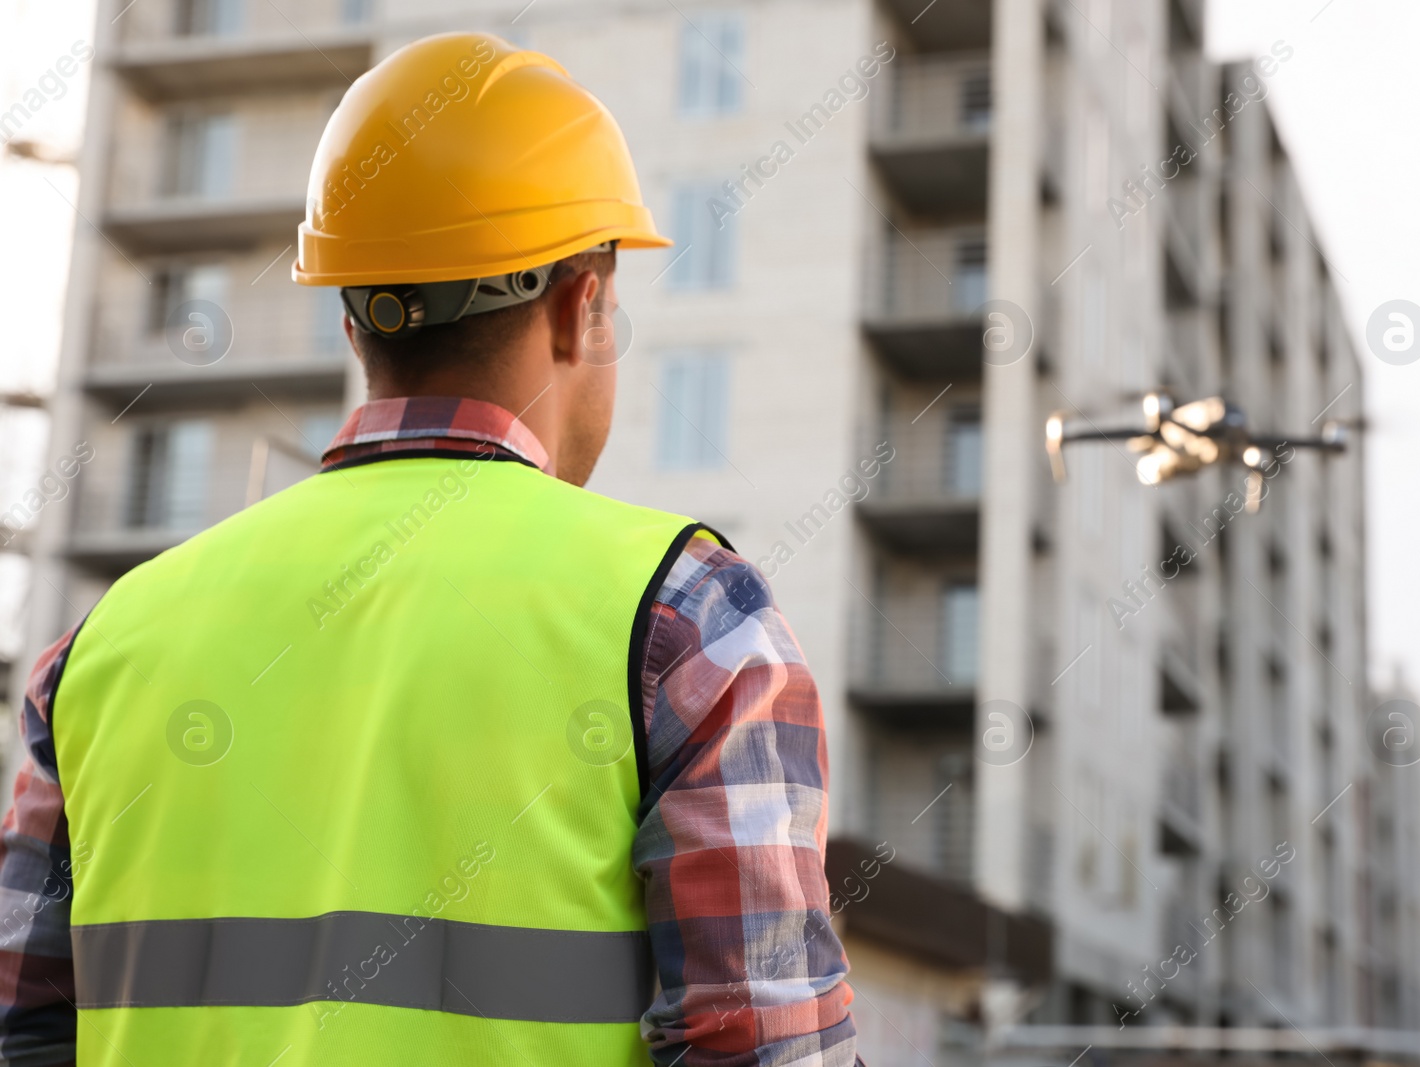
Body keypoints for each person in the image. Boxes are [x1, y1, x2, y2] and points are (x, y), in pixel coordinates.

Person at [0, 32, 858, 1066]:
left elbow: (28, 1030)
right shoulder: (685, 621)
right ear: (583, 302)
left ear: (355, 318)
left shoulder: (102, 647)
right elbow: (765, 1049)